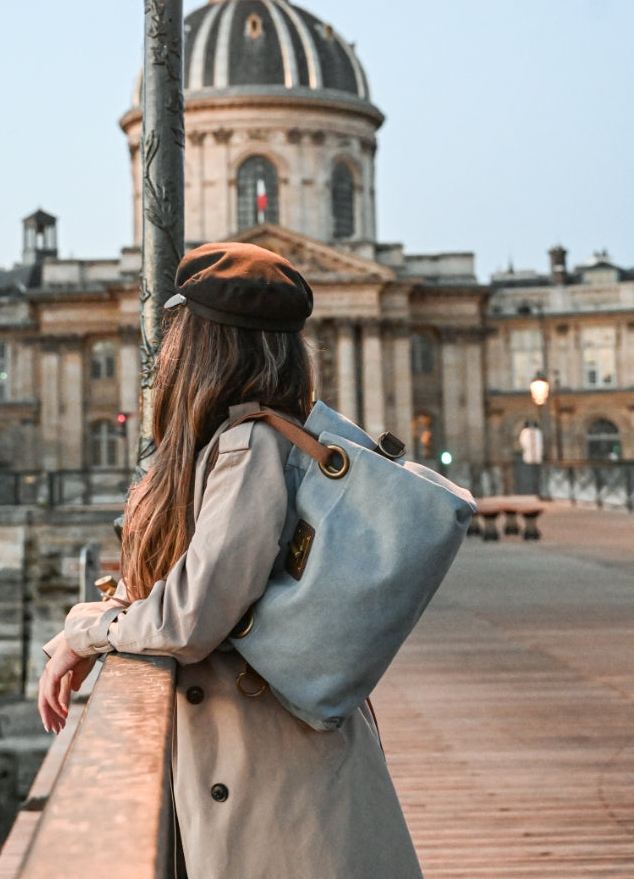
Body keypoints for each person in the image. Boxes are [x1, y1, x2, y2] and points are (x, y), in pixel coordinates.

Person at [38, 241, 423, 879]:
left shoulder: (249, 446)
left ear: (204, 344)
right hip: (269, 762)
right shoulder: (262, 437)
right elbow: (193, 589)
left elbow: (189, 618)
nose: (165, 352)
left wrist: (86, 630)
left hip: (276, 777)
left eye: (177, 333)